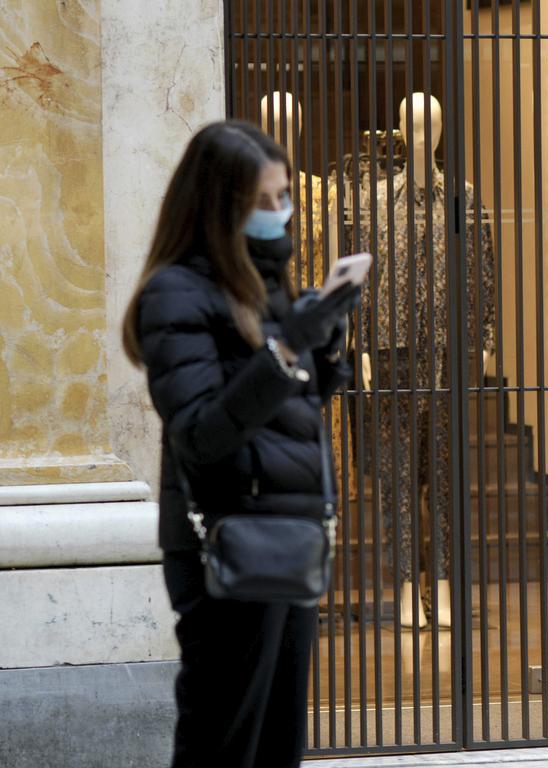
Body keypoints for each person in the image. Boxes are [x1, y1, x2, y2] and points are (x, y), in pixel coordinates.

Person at [122, 120, 360, 768]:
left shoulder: (265, 285)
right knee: (223, 741)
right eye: (263, 201)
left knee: (279, 742)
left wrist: (325, 345)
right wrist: (286, 349)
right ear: (218, 203)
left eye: (283, 197)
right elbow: (201, 432)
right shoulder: (175, 293)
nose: (279, 213)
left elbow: (289, 411)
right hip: (222, 540)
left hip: (287, 531)